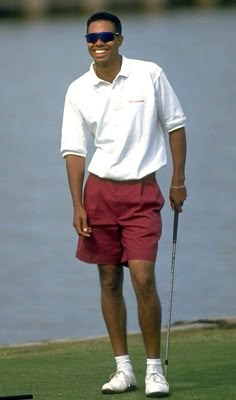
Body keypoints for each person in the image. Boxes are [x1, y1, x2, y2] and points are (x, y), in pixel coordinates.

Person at [60, 11, 187, 398]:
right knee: (109, 279)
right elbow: (74, 150)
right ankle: (123, 368)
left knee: (142, 277)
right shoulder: (78, 89)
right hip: (99, 194)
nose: (99, 44)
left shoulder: (149, 74)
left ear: (120, 39)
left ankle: (153, 371)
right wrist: (77, 203)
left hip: (143, 193)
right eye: (91, 38)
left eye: (106, 37)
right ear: (86, 42)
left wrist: (177, 180)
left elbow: (176, 125)